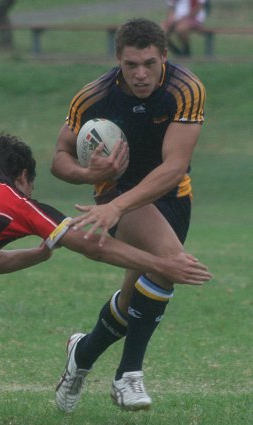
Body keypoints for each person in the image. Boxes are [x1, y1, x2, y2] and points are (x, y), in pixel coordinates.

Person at [0, 133, 211, 377]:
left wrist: (38, 255)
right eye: (31, 185)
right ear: (22, 177)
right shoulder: (16, 203)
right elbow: (92, 246)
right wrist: (162, 264)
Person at [51, 18, 210, 412]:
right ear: (117, 61)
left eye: (150, 64)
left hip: (173, 197)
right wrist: (90, 176)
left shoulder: (185, 89)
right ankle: (128, 376)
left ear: (165, 57)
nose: (141, 74)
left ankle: (81, 355)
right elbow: (58, 159)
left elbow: (174, 167)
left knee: (130, 303)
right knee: (167, 265)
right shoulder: (94, 97)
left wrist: (118, 208)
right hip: (118, 194)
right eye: (131, 65)